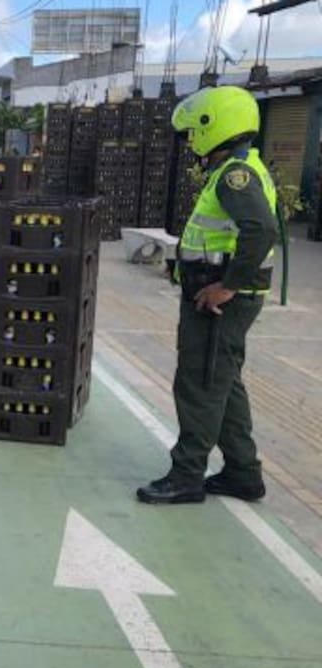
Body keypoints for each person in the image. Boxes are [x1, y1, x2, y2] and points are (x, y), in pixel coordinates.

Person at [137, 86, 278, 505]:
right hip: (223, 297)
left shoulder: (237, 177)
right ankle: (242, 474)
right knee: (224, 384)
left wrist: (226, 286)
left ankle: (186, 476)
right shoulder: (238, 168)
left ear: (212, 124)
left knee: (200, 385)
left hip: (219, 302)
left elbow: (261, 230)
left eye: (191, 133)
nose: (189, 143)